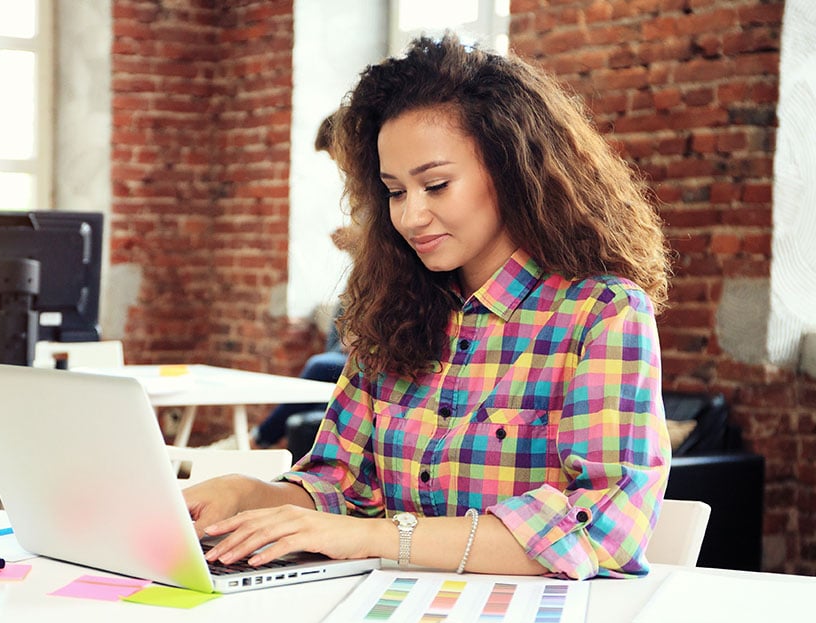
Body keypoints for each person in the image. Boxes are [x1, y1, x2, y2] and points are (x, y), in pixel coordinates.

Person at [185, 33, 671, 581]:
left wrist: (374, 537)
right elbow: (342, 487)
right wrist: (244, 493)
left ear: (513, 171)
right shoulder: (396, 310)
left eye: (436, 185)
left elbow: (602, 528)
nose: (411, 216)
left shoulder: (601, 313)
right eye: (395, 192)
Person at [253, 112, 355, 451]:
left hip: (359, 320)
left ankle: (258, 441)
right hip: (354, 305)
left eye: (334, 155)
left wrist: (357, 240)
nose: (337, 165)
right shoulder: (358, 192)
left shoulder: (379, 190)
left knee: (318, 366)